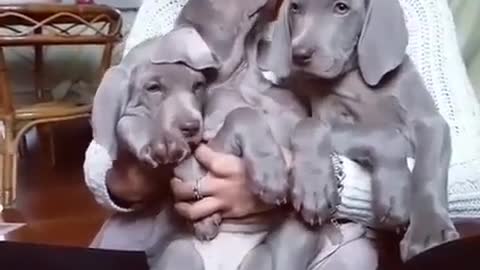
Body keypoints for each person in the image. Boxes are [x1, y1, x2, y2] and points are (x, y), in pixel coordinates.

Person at [84, 0, 480, 269]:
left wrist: (326, 181)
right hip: (178, 230)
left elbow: (472, 179)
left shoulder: (407, 10)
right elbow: (104, 166)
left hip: (307, 233)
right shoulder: (176, 8)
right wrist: (151, 168)